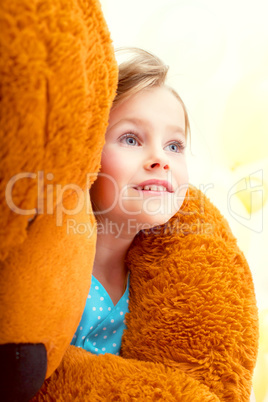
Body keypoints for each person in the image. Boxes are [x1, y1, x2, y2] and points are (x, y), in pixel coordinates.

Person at [71, 48, 190, 356]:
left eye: (174, 145)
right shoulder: (51, 268)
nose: (160, 159)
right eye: (131, 139)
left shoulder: (163, 288)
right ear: (88, 151)